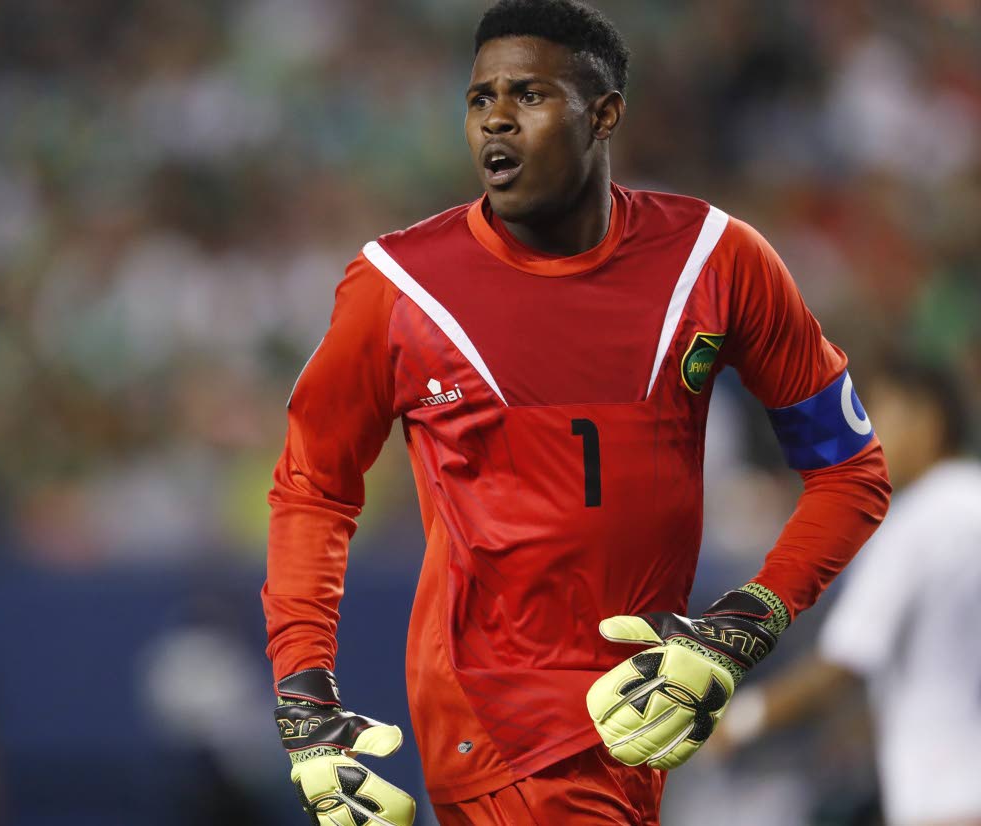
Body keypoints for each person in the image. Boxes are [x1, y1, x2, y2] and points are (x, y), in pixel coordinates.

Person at [261, 1, 891, 823]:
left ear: (604, 114)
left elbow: (851, 471)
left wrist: (743, 625)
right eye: (479, 98)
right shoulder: (399, 286)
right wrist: (305, 702)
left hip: (644, 715)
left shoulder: (717, 259)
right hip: (504, 726)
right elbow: (313, 486)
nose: (496, 119)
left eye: (528, 95)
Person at [713, 361, 980, 826]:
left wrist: (740, 720)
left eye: (881, 415)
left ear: (927, 419)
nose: (869, 437)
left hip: (946, 794)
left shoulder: (915, 521)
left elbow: (846, 660)